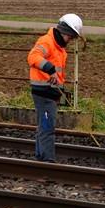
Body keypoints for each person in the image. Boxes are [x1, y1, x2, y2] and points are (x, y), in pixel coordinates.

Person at [27, 13, 82, 162]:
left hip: (51, 93)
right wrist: (49, 69)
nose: (70, 40)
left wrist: (60, 94)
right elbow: (33, 57)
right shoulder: (47, 42)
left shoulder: (60, 49)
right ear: (65, 31)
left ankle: (41, 158)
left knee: (44, 126)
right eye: (71, 37)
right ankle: (48, 161)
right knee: (47, 128)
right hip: (43, 93)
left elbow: (59, 76)